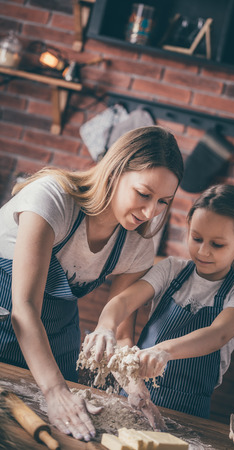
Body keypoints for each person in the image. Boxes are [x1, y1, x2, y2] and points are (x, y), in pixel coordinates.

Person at [0, 126, 184, 440]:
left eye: (163, 201)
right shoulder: (52, 199)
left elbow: (122, 337)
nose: (151, 211)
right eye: (143, 194)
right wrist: (56, 392)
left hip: (57, 338)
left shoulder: (137, 246)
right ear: (114, 172)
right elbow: (25, 308)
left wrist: (134, 388)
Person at [83, 184, 234, 419]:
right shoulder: (171, 270)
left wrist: (163, 351)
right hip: (136, 395)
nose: (203, 251)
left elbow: (218, 334)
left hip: (191, 413)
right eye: (196, 238)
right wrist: (106, 327)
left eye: (217, 244)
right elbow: (123, 302)